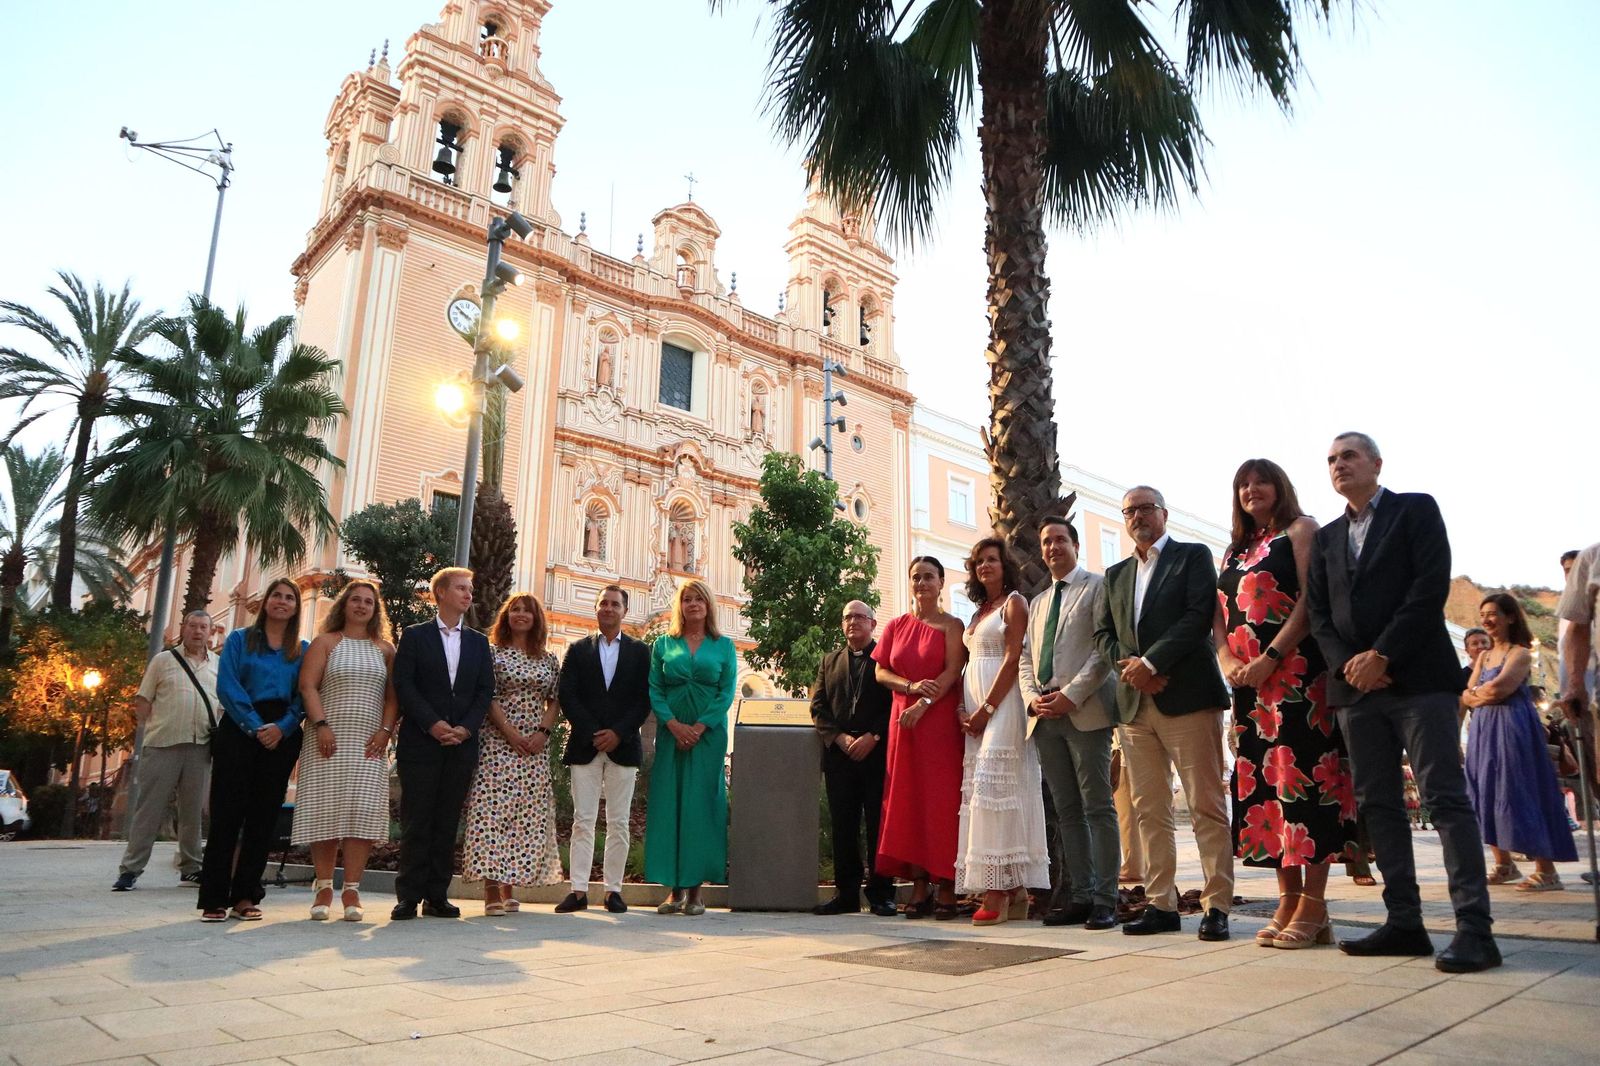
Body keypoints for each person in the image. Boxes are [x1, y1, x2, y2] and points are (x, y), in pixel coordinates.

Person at [1306, 431, 1498, 972]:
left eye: (1349, 455)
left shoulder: (1415, 510)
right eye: (1331, 459)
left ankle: (1475, 930)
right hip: (1357, 692)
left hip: (1419, 682)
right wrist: (1352, 664)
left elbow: (1428, 588)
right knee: (1379, 804)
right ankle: (1404, 923)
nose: (1339, 465)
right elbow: (1319, 614)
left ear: (1376, 463)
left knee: (1444, 799)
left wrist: (1383, 654)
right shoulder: (1326, 538)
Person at [1214, 460, 1357, 949]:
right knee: (1267, 791)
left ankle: (1313, 904)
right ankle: (1288, 898)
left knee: (1305, 786)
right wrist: (1227, 658)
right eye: (1243, 483)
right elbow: (1219, 615)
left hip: (1297, 679)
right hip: (1249, 689)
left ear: (1280, 487)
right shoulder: (1235, 549)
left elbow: (1311, 602)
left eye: (1261, 481)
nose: (1251, 489)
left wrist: (1271, 657)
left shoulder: (1301, 530)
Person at [1094, 486, 1234, 941]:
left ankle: (1217, 906)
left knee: (1205, 805)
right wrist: (1133, 671)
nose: (1137, 516)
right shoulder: (1115, 575)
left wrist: (1151, 664)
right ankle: (1161, 904)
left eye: (1145, 508)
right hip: (1135, 706)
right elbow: (1103, 634)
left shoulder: (1192, 557)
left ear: (1164, 514)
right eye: (1129, 511)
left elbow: (1197, 617)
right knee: (1148, 809)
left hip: (1187, 696)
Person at [1017, 517, 1119, 930]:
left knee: (1098, 806)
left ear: (1076, 545)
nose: (1053, 546)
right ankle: (1081, 895)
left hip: (1084, 710)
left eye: (1061, 539)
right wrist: (1031, 698)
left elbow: (1102, 651)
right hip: (1044, 717)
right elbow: (1026, 657)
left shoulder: (1098, 587)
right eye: (1046, 541)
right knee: (1067, 810)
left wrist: (1071, 695)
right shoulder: (1039, 601)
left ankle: (1106, 899)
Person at [198, 580, 308, 922]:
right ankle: (214, 898)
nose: (282, 601)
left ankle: (246, 895)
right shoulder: (239, 640)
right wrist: (255, 726)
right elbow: (227, 686)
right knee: (226, 816)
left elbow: (304, 694)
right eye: (277, 595)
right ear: (266, 601)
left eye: (289, 598)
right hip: (239, 729)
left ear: (296, 607)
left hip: (281, 735)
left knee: (263, 819)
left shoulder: (301, 649)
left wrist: (283, 727)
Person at [390, 567, 495, 920]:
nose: (468, 594)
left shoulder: (478, 642)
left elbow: (485, 690)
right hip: (421, 743)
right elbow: (404, 685)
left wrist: (465, 728)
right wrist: (432, 724)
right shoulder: (414, 636)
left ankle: (437, 896)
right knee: (417, 820)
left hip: (461, 745)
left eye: (470, 589)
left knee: (447, 822)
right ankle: (408, 896)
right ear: (441, 593)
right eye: (461, 588)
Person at [292, 580, 397, 921]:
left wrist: (385, 731)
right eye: (355, 600)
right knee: (325, 810)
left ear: (375, 610)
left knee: (361, 813)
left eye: (368, 601)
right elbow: (308, 686)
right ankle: (323, 887)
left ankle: (352, 889)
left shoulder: (385, 650)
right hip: (327, 740)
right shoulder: (326, 642)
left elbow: (392, 698)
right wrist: (321, 724)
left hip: (369, 743)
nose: (362, 606)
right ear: (344, 605)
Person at [957, 538, 1049, 925]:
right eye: (979, 561)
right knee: (988, 794)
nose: (985, 566)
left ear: (1004, 565)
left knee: (994, 792)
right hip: (975, 713)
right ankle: (1017, 891)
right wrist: (963, 708)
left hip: (1003, 707)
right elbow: (969, 662)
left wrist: (987, 709)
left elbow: (1013, 658)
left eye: (991, 560)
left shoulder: (1014, 603)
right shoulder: (979, 611)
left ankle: (996, 891)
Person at [1464, 593, 1579, 888]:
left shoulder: (1521, 653)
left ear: (1511, 617)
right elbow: (1466, 694)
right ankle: (1504, 865)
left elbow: (1498, 690)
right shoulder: (1485, 657)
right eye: (1483, 615)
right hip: (1483, 730)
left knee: (1520, 790)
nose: (1487, 620)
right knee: (1484, 790)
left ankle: (1547, 871)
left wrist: (1478, 694)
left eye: (1493, 614)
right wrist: (1479, 694)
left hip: (1511, 728)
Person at [874, 557, 967, 919]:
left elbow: (952, 671)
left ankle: (946, 885)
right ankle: (918, 885)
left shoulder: (952, 626)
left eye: (929, 577)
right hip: (904, 722)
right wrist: (910, 688)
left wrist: (923, 703)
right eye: (916, 577)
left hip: (938, 722)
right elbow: (881, 672)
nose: (922, 583)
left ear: (941, 582)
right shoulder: (896, 625)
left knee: (941, 801)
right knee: (907, 801)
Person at [462, 594, 565, 915]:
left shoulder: (548, 659)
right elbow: (487, 696)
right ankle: (491, 889)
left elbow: (556, 700)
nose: (521, 615)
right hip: (497, 741)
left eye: (527, 611)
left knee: (522, 816)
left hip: (534, 747)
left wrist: (543, 733)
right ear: (506, 616)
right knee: (491, 812)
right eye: (515, 610)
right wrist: (509, 732)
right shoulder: (493, 654)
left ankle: (509, 886)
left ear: (536, 619)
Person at [556, 584, 652, 915]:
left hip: (623, 747)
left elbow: (644, 698)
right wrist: (593, 731)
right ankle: (578, 890)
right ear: (596, 608)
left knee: (619, 822)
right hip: (585, 745)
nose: (608, 608)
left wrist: (618, 733)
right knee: (582, 820)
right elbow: (567, 694)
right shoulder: (578, 649)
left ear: (625, 611)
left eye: (615, 604)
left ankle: (613, 890)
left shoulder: (640, 652)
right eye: (603, 603)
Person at [645, 579, 737, 915]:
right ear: (680, 606)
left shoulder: (723, 646)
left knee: (701, 807)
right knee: (670, 805)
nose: (693, 604)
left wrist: (698, 728)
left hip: (708, 736)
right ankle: (674, 891)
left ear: (708, 605)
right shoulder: (663, 644)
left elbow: (726, 692)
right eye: (687, 599)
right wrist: (673, 725)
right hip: (672, 735)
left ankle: (696, 892)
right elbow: (655, 688)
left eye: (699, 599)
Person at [113, 610, 217, 892]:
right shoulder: (163, 660)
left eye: (203, 627)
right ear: (183, 629)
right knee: (149, 809)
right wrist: (149, 729)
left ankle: (191, 868)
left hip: (200, 746)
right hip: (162, 744)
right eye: (193, 626)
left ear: (211, 632)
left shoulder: (218, 665)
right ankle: (130, 870)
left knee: (192, 812)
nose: (198, 631)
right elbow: (143, 700)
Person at [810, 600, 896, 917]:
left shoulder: (886, 659)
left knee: (877, 825)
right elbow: (818, 707)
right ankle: (846, 894)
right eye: (848, 617)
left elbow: (893, 704)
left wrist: (874, 736)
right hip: (841, 756)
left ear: (873, 624)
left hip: (876, 754)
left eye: (860, 617)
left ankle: (881, 894)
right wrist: (840, 738)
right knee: (843, 825)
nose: (853, 622)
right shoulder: (829, 662)